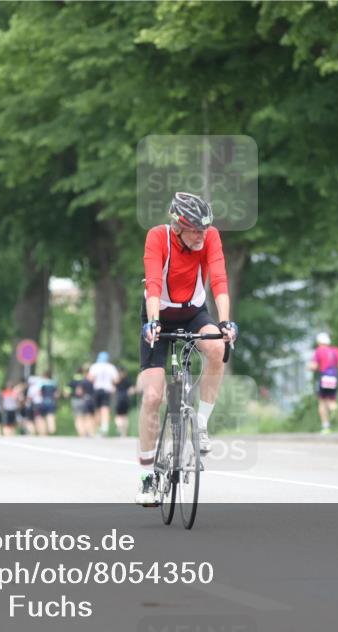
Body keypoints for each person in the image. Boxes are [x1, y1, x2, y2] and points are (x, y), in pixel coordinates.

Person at [137, 192, 238, 506]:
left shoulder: (209, 237)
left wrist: (225, 322)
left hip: (194, 312)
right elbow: (153, 282)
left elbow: (219, 278)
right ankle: (147, 477)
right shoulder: (158, 237)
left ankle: (202, 425)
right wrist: (154, 322)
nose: (202, 236)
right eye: (195, 230)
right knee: (153, 396)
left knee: (217, 348)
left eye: (205, 229)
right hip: (158, 314)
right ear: (178, 226)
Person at [309, 332, 338, 434]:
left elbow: (313, 366)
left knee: (322, 401)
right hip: (334, 377)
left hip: (324, 377)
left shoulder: (318, 351)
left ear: (319, 342)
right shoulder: (336, 350)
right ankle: (334, 409)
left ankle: (325, 426)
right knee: (332, 399)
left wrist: (310, 367)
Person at [88, 351, 119, 436]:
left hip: (97, 389)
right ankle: (104, 427)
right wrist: (111, 383)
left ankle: (97, 428)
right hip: (107, 390)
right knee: (105, 409)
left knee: (97, 410)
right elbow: (116, 379)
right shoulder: (111, 367)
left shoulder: (95, 366)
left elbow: (90, 378)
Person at [114, 367, 135, 438]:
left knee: (118, 415)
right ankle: (124, 433)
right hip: (126, 399)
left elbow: (113, 389)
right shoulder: (128, 380)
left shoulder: (116, 381)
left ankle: (119, 429)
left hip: (118, 398)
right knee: (125, 416)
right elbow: (132, 390)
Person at [39, 370, 58, 435]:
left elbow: (40, 393)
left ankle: (44, 431)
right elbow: (56, 394)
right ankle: (51, 429)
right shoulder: (54, 383)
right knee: (51, 415)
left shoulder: (42, 383)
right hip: (51, 401)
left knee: (42, 417)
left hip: (44, 401)